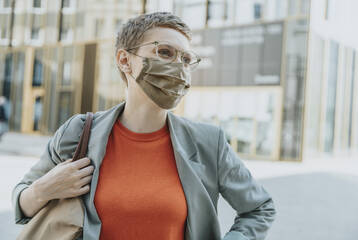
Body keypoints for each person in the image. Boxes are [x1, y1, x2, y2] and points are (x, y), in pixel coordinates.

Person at [12, 12, 276, 240]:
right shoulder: (79, 132)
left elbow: (259, 207)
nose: (178, 67)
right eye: (164, 52)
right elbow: (22, 203)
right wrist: (43, 190)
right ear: (125, 60)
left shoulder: (209, 142)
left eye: (186, 59)